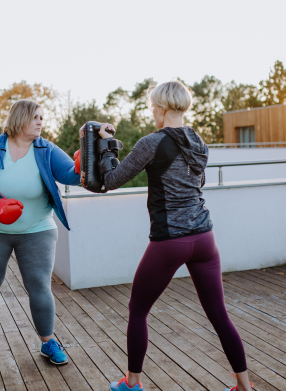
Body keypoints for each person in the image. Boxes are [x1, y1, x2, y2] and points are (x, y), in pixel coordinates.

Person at [100, 81, 252, 391]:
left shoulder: (152, 142)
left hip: (170, 240)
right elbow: (197, 184)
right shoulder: (200, 142)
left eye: (153, 107)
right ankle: (245, 388)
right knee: (219, 316)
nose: (152, 112)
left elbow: (112, 180)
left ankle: (132, 384)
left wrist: (106, 146)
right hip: (204, 239)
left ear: (163, 108)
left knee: (138, 310)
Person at [0, 99, 80, 367]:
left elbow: (70, 174)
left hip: (37, 228)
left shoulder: (46, 149)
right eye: (35, 117)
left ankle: (49, 342)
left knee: (39, 286)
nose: (40, 122)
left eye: (42, 118)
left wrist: (82, 164)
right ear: (20, 118)